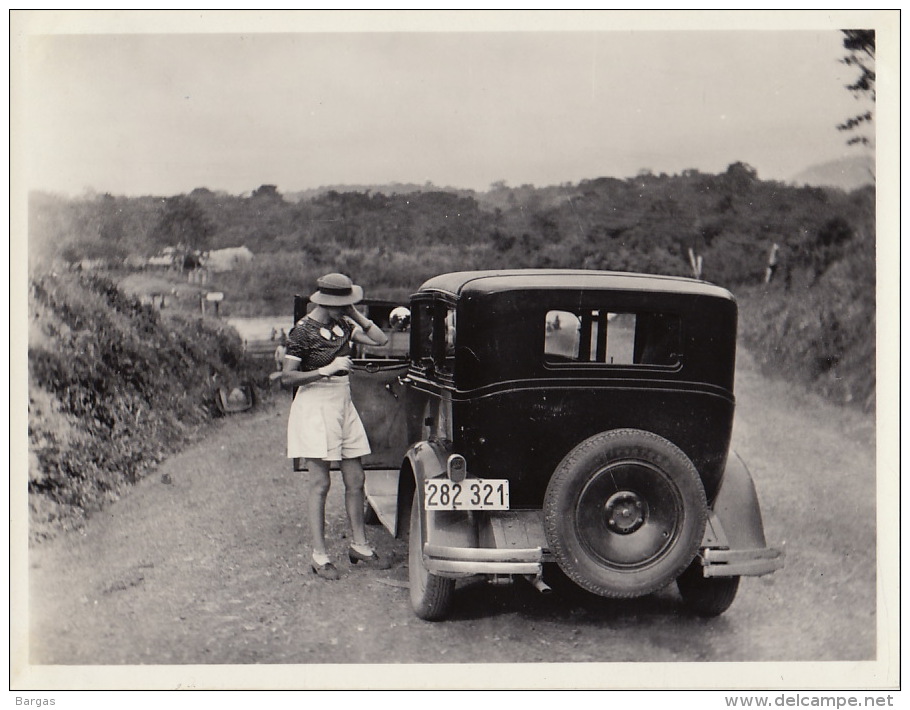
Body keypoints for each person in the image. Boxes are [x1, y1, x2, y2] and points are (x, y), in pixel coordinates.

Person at [281, 273, 391, 580]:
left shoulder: (343, 324)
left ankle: (360, 546)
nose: (345, 308)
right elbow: (286, 377)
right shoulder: (303, 332)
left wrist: (354, 313)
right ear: (327, 302)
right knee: (320, 483)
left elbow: (381, 340)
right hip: (315, 404)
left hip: (343, 403)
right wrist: (326, 369)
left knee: (356, 479)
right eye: (341, 303)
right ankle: (319, 555)